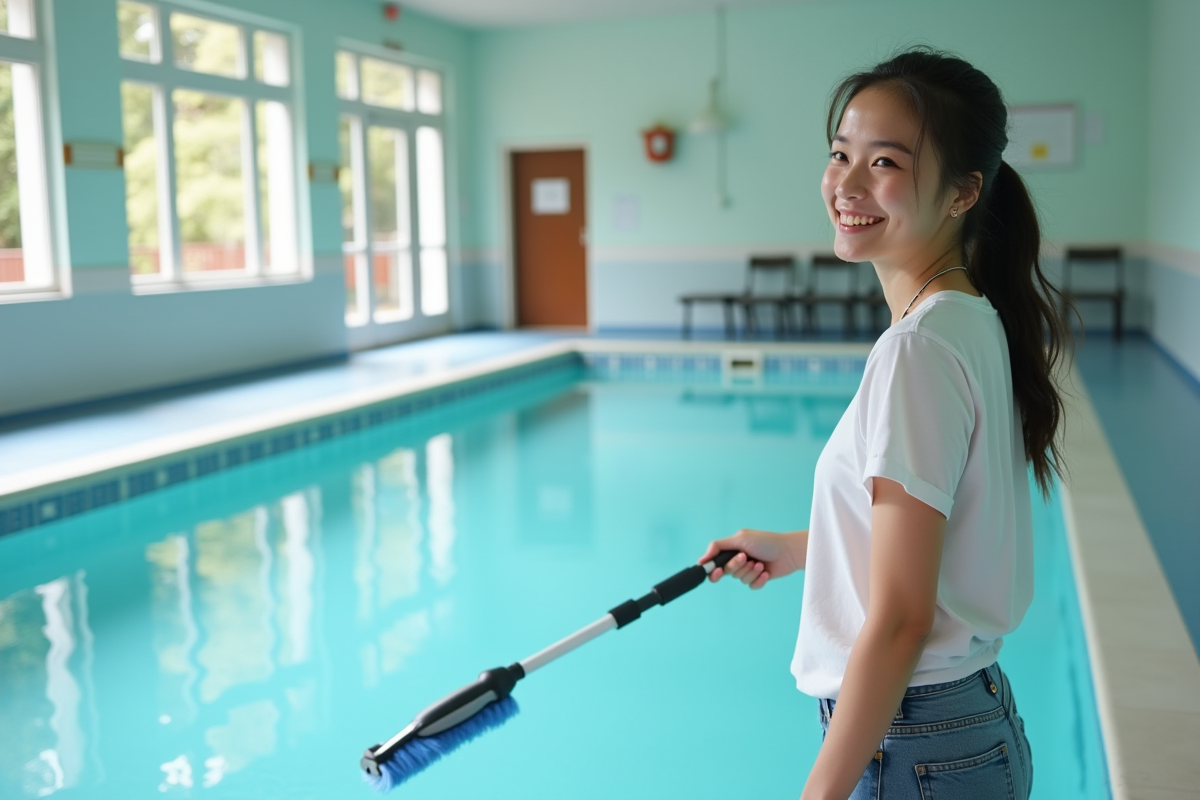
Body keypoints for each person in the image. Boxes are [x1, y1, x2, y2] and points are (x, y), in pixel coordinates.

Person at [698, 47, 1072, 800]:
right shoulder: (968, 319)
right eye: (841, 154)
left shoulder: (918, 351)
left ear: (964, 192)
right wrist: (802, 549)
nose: (848, 183)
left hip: (915, 745)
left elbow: (901, 619)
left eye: (886, 163)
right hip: (962, 729)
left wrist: (821, 791)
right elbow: (933, 543)